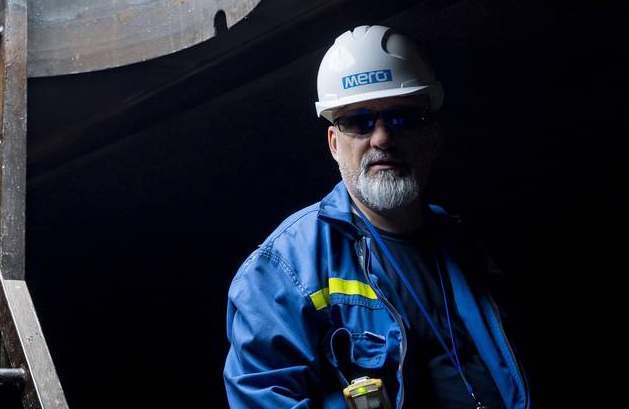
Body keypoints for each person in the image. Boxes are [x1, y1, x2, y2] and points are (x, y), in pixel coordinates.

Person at [223, 25, 530, 409]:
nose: (382, 138)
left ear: (433, 137)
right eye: (359, 121)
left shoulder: (465, 242)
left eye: (402, 118)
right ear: (334, 145)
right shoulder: (284, 268)